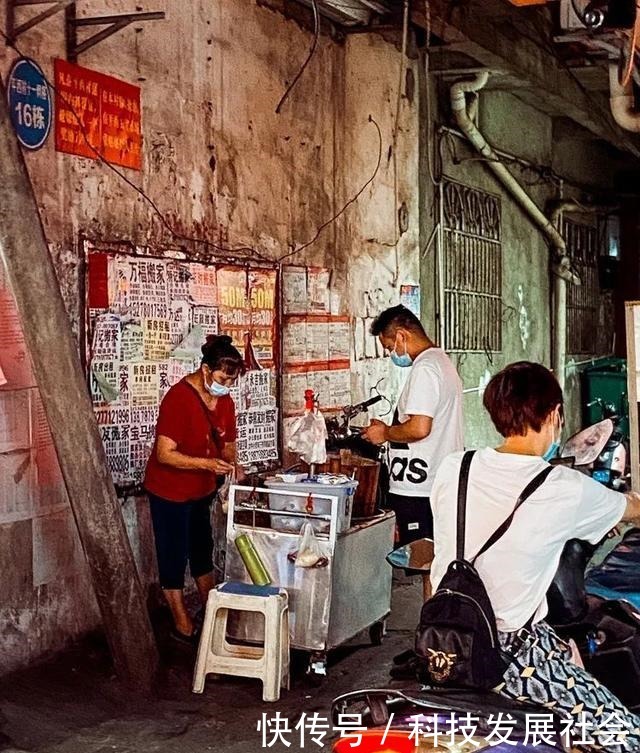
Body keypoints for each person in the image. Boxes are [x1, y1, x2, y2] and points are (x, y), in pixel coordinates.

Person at [429, 361, 640, 752]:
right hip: (512, 654)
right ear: (555, 415)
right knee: (626, 735)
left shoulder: (453, 468)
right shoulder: (563, 486)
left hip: (444, 637)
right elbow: (630, 509)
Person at [144, 335, 243, 644]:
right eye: (222, 378)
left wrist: (232, 467)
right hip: (169, 491)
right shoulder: (179, 398)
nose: (226, 384)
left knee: (202, 550)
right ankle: (182, 625)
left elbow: (228, 445)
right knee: (172, 555)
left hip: (202, 491)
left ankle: (212, 611)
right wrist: (207, 465)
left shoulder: (225, 400)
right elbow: (164, 453)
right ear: (204, 369)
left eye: (231, 380)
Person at [362, 304, 463, 598]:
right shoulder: (440, 363)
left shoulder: (426, 368)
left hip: (421, 487)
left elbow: (419, 428)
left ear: (403, 335)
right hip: (433, 482)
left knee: (428, 563)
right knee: (433, 565)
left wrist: (384, 433)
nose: (390, 353)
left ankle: (435, 634)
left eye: (390, 346)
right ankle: (435, 629)